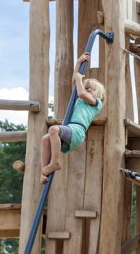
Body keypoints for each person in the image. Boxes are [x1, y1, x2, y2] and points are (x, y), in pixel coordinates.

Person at [41, 52, 105, 183]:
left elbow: (80, 91)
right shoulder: (78, 99)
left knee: (53, 129)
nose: (87, 90)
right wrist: (78, 63)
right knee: (45, 139)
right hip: (69, 130)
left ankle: (54, 162)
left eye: (91, 89)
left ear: (98, 94)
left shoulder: (96, 103)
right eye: (86, 87)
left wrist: (79, 80)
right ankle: (44, 172)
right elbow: (75, 84)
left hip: (77, 132)